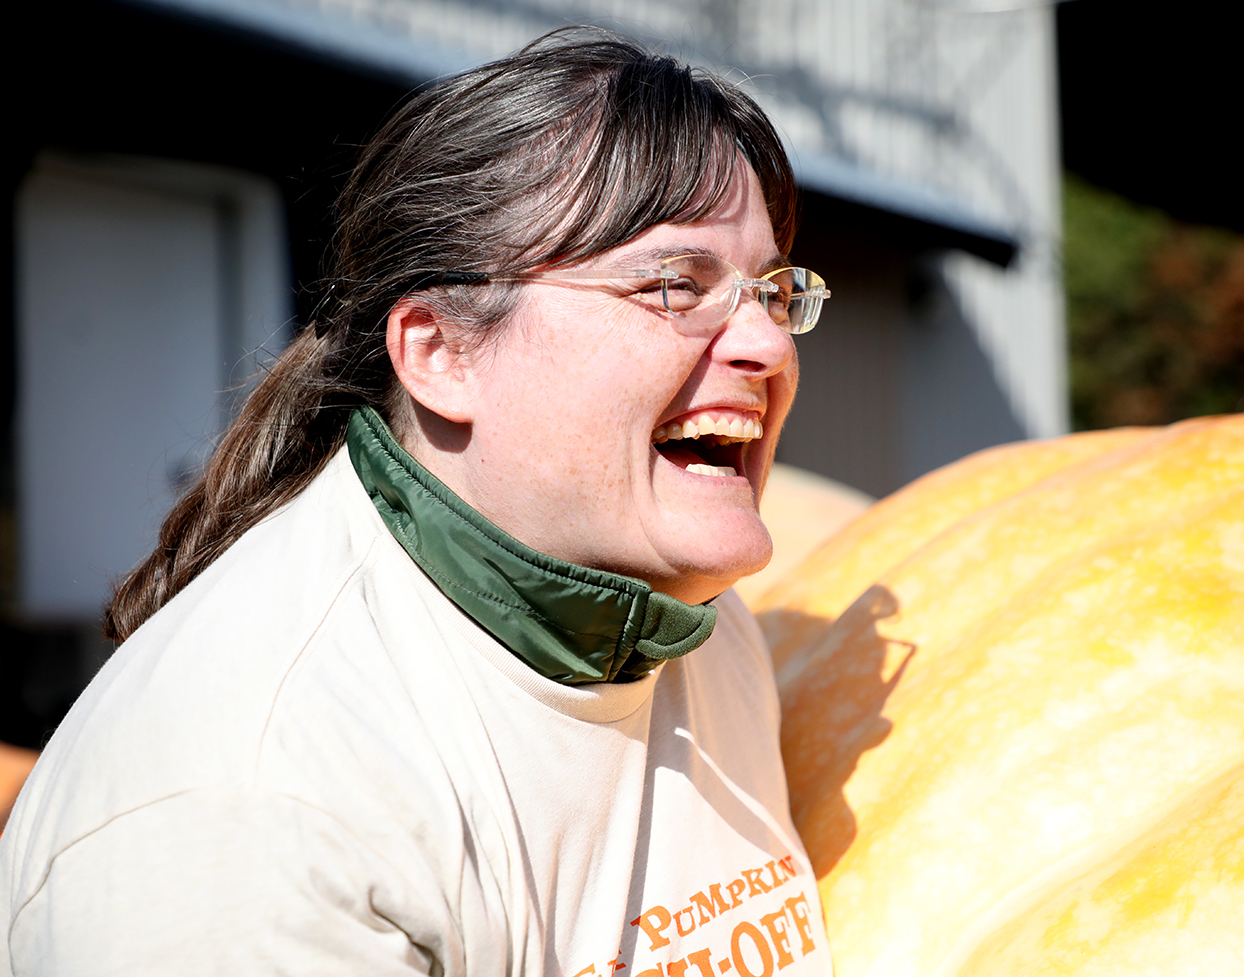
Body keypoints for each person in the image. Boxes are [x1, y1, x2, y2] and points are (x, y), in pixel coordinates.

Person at [0, 29, 833, 977]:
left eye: (771, 290)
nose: (766, 344)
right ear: (440, 353)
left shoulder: (710, 627)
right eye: (674, 284)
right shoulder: (244, 810)